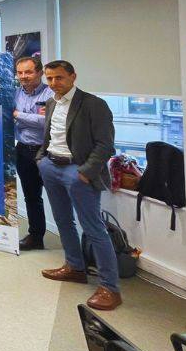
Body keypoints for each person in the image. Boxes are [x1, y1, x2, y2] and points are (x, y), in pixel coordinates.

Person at [36, 60, 120, 311]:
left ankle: (110, 288)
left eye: (59, 78)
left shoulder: (94, 104)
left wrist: (85, 172)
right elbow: (50, 136)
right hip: (51, 166)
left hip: (78, 171)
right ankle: (75, 267)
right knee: (63, 220)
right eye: (50, 78)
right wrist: (41, 159)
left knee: (93, 228)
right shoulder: (51, 102)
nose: (54, 83)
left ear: (73, 77)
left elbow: (106, 144)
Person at [12, 57, 55, 251]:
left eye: (28, 72)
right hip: (23, 150)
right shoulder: (15, 94)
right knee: (31, 197)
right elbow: (35, 120)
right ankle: (36, 237)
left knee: (58, 197)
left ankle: (73, 241)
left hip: (46, 151)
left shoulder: (51, 94)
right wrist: (32, 118)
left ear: (39, 73)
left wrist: (18, 115)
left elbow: (46, 122)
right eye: (20, 72)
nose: (23, 76)